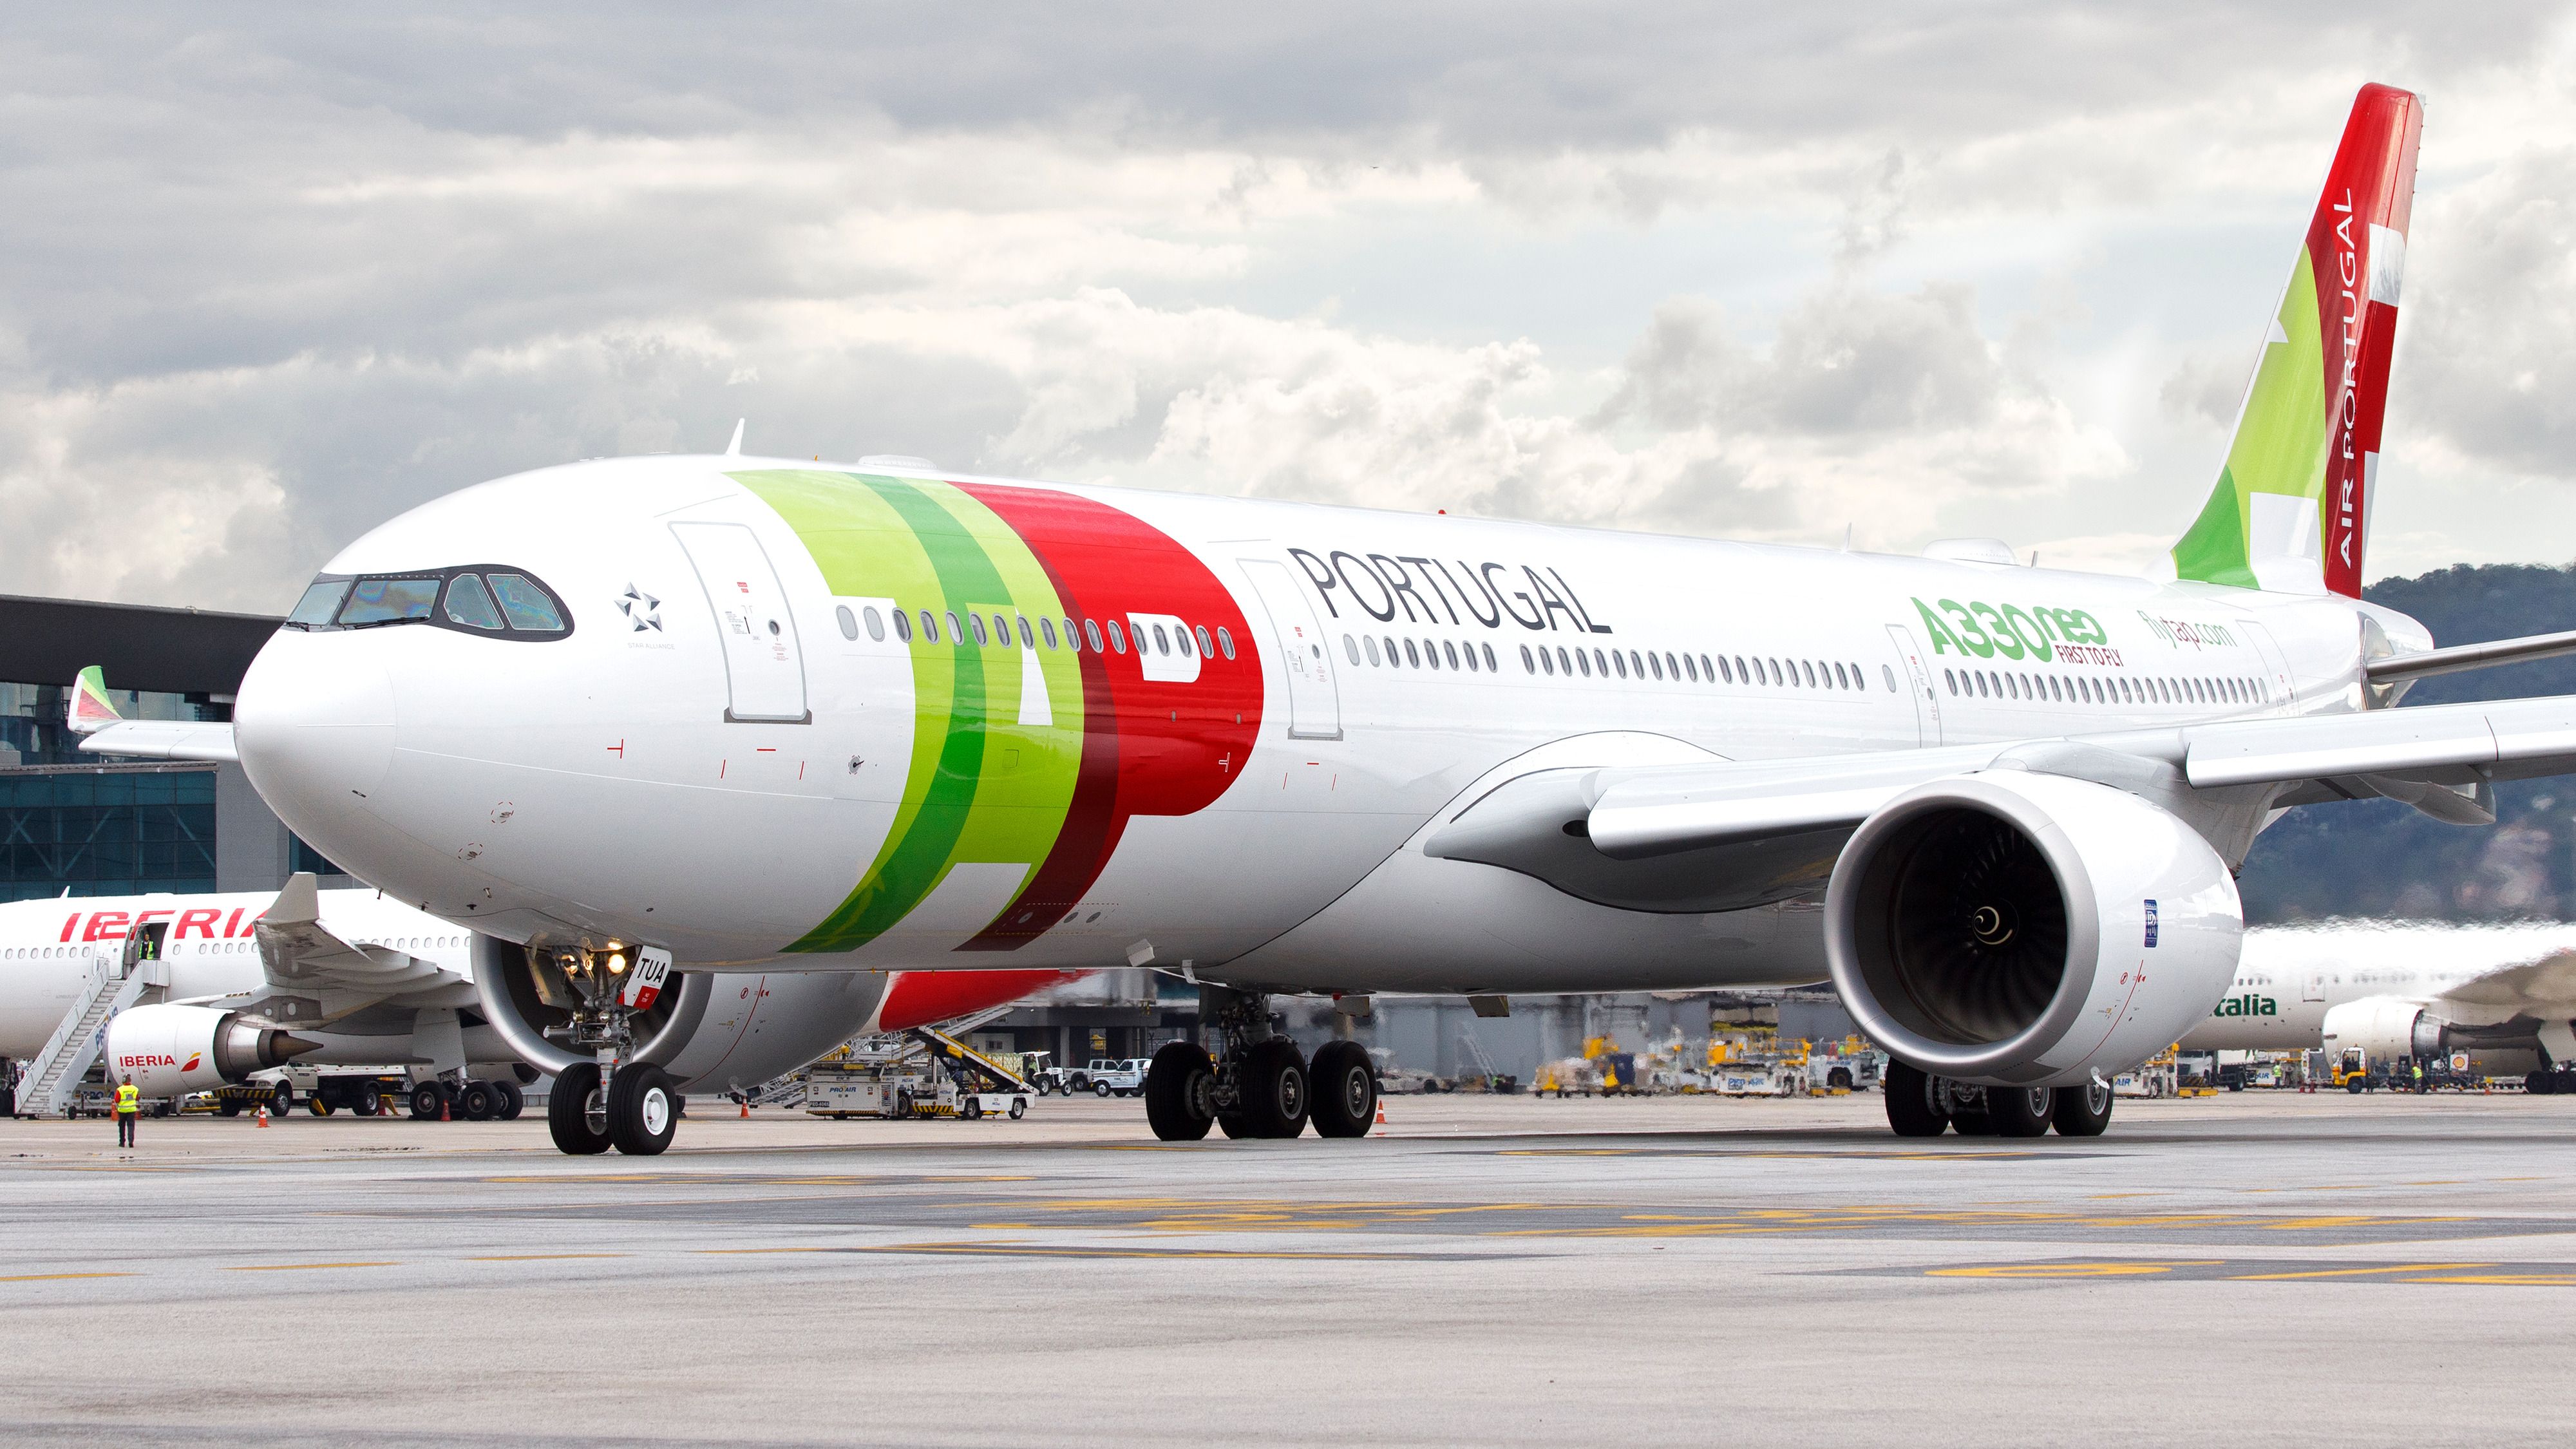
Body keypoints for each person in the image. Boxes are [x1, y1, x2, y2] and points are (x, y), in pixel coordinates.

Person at [113, 1075, 140, 1148]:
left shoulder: (120, 1089)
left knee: (122, 1126)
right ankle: (131, 1141)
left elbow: (117, 1100)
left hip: (122, 1111)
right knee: (131, 1126)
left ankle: (122, 1142)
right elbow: (137, 1098)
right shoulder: (135, 1089)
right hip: (131, 1110)